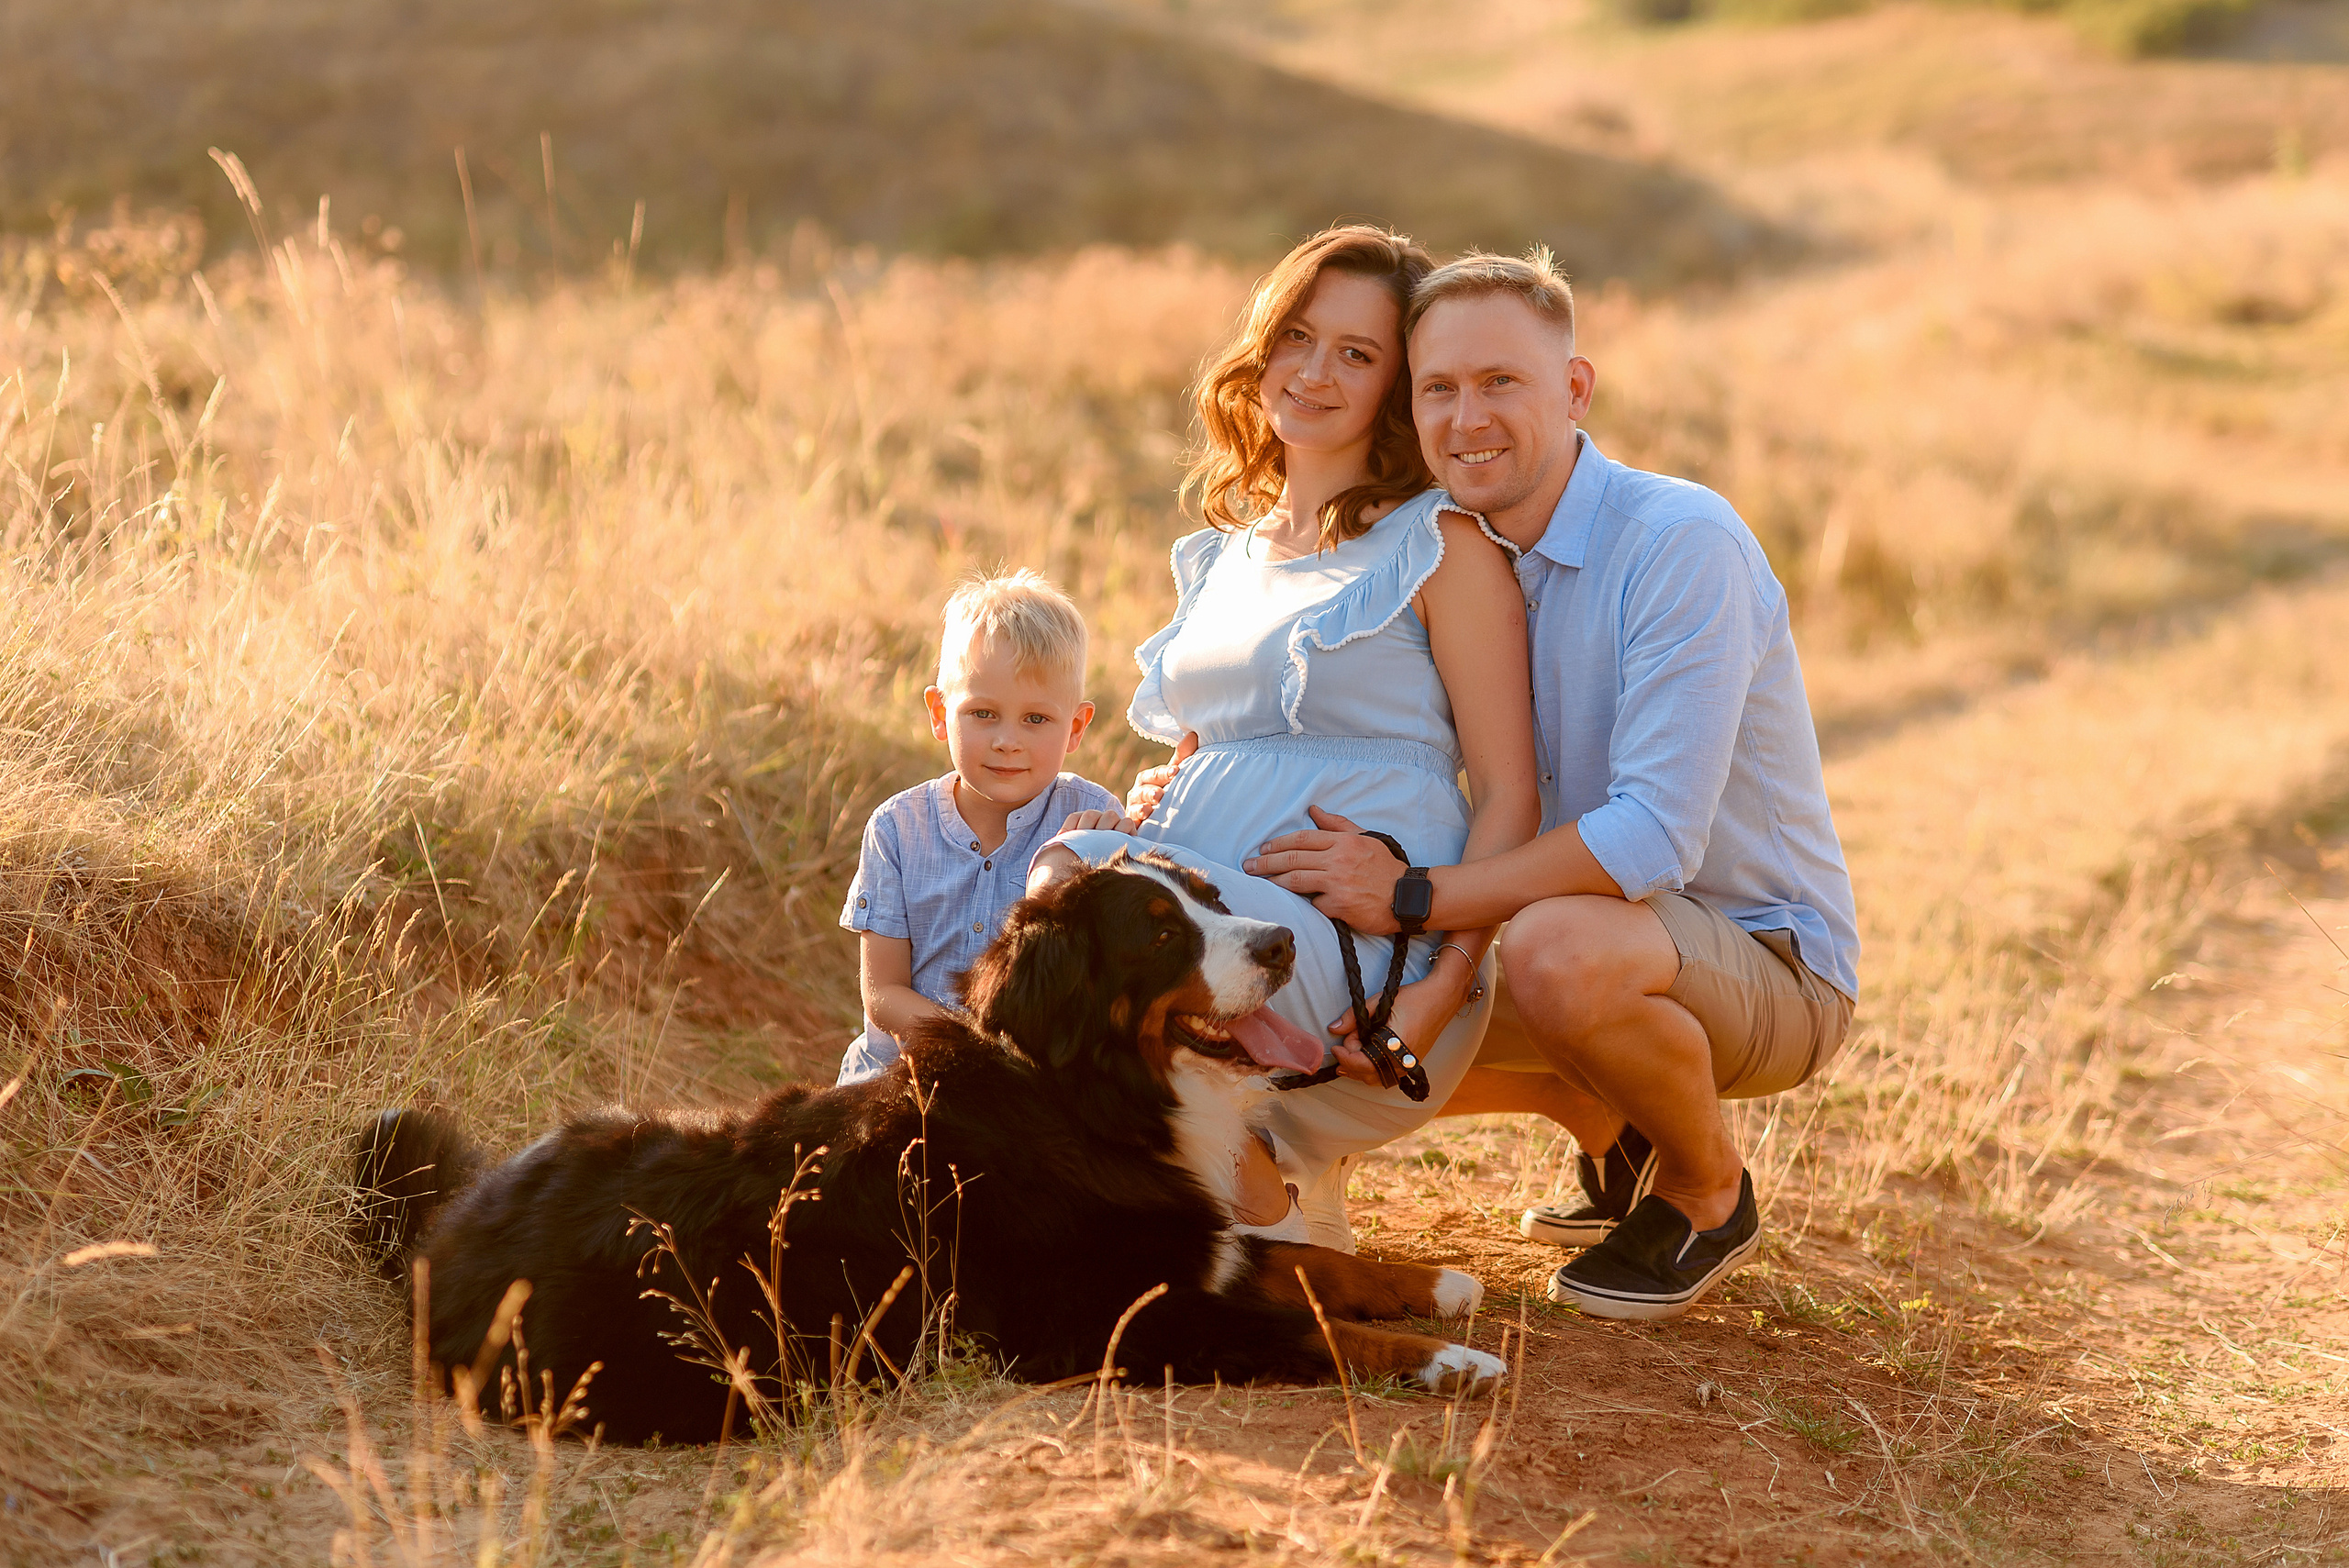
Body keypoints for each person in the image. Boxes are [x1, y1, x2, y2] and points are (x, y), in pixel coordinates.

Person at [1237, 249, 1860, 1320]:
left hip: (1761, 958)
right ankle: (1597, 1108)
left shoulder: (1677, 541)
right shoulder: (1453, 555)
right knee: (1322, 983)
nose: (1467, 416)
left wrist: (1417, 897)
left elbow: (1651, 840)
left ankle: (1707, 1188)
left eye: (1501, 382)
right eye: (1438, 388)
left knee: (1553, 948)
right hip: (1574, 932)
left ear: (1574, 389)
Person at [1032, 225, 1542, 1249]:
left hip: (1357, 939)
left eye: (1355, 354)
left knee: (1076, 915)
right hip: (1207, 902)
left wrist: (1441, 986)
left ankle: (1280, 1234)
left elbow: (1511, 796)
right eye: (1297, 336)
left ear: (1397, 386)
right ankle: (1191, 1197)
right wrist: (1167, 795)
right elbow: (1210, 739)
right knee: (1063, 872)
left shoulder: (1439, 546)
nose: (1312, 372)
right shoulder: (1225, 555)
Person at [835, 571, 1122, 1085]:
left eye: (1036, 719)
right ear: (941, 714)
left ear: (1076, 727)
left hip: (1030, 1085)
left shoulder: (1090, 819)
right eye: (983, 713)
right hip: (900, 1073)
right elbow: (883, 996)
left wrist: (1110, 851)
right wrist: (980, 1048)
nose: (1008, 741)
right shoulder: (897, 829)